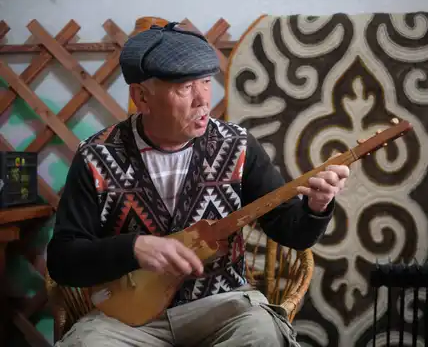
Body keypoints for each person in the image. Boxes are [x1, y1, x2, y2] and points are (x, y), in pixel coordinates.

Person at [46, 22, 350, 347]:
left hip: (221, 306)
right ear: (142, 97)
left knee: (263, 334)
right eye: (185, 87)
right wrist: (133, 249)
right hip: (129, 317)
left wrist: (317, 207)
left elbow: (292, 233)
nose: (202, 100)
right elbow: (63, 261)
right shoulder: (97, 155)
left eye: (206, 82)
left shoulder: (236, 146)